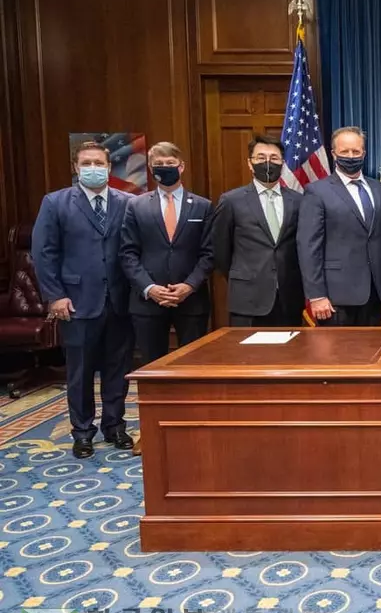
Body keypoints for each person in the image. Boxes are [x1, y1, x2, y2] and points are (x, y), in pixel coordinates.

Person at [31, 141, 135, 459]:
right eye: (86, 162)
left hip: (119, 301)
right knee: (81, 372)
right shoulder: (56, 203)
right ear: (76, 168)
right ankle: (82, 431)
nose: (93, 167)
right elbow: (44, 253)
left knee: (118, 368)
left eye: (99, 162)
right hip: (75, 302)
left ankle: (115, 426)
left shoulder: (128, 202)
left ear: (108, 167)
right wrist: (55, 296)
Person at [120, 142, 215, 364]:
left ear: (181, 167)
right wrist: (149, 288)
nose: (165, 167)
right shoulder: (135, 206)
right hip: (148, 302)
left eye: (170, 163)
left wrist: (189, 285)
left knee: (194, 365)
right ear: (151, 170)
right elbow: (127, 253)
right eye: (159, 164)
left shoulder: (203, 206)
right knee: (153, 367)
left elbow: (209, 253)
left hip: (192, 301)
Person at [297, 126, 381, 326]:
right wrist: (317, 295)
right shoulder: (317, 192)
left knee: (374, 353)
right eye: (345, 152)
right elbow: (309, 248)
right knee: (338, 356)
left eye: (356, 151)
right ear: (333, 154)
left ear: (364, 153)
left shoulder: (380, 190)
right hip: (335, 298)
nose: (351, 156)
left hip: (375, 294)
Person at [212, 135, 304, 327]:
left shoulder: (299, 200)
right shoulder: (231, 201)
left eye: (274, 158)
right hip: (247, 298)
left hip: (289, 297)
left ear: (283, 163)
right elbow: (220, 249)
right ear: (250, 163)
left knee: (290, 355)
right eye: (261, 158)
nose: (268, 163)